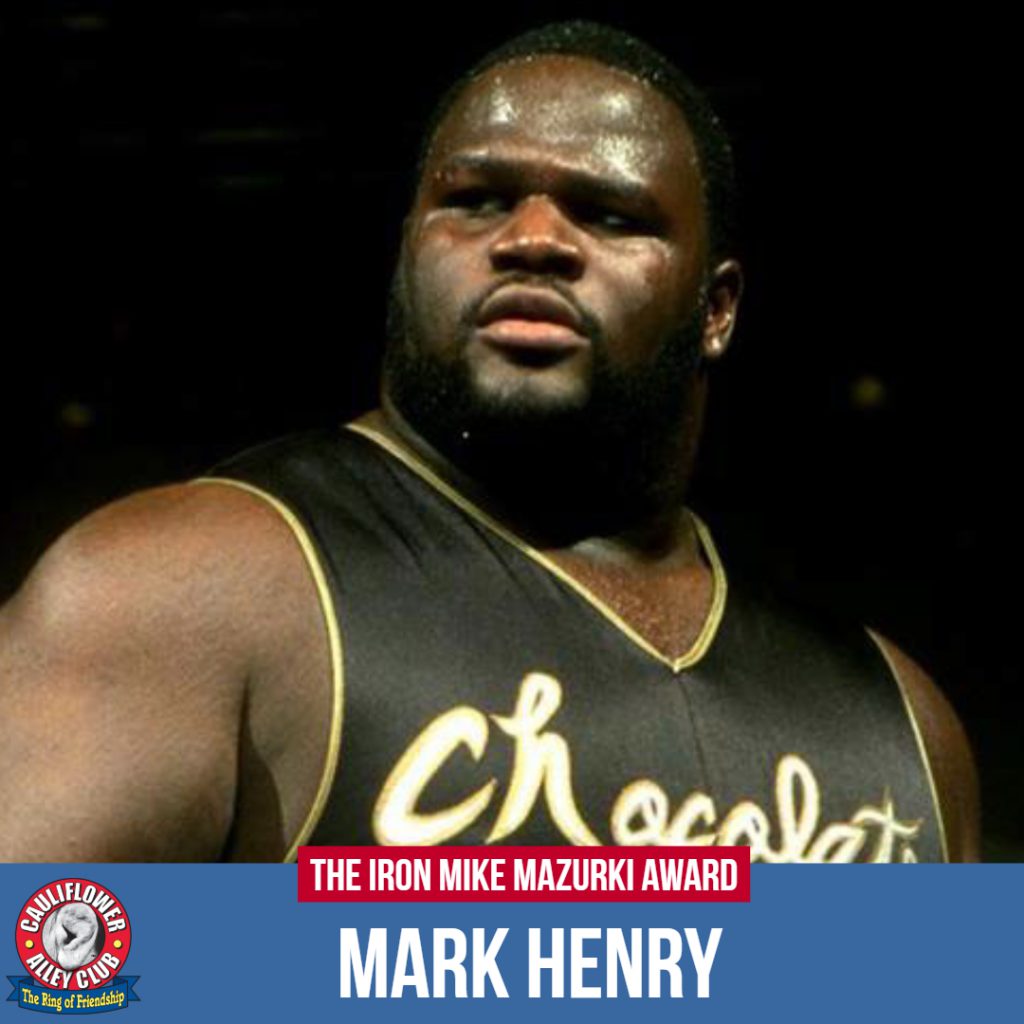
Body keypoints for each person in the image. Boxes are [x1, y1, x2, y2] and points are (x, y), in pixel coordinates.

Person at [0, 22, 978, 862]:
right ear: (406, 252)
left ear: (716, 308)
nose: (532, 238)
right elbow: (38, 971)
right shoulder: (179, 588)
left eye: (609, 214)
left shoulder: (899, 724)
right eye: (475, 201)